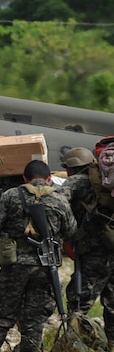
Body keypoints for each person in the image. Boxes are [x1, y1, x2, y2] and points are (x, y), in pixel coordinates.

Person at [0, 160, 77, 352]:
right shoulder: (60, 199)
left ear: (24, 178)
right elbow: (71, 230)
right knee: (34, 321)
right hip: (45, 268)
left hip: (14, 267)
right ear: (49, 179)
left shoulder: (11, 196)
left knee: (2, 318)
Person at [55, 146, 114, 346]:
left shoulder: (76, 181)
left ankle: (67, 346)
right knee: (112, 305)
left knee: (78, 303)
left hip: (93, 255)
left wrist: (70, 231)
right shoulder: (107, 185)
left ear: (72, 168)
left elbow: (57, 203)